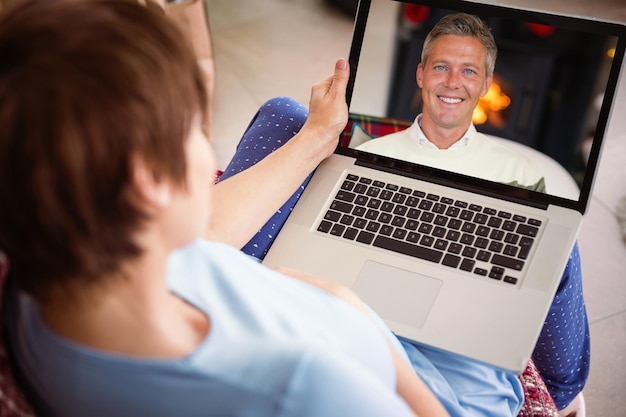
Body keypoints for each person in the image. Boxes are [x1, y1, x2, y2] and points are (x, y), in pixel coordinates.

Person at [0, 1, 525, 416]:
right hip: (429, 387)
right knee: (526, 219)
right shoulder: (301, 386)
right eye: (193, 131)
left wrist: (319, 138)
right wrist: (359, 318)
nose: (210, 155)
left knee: (286, 117)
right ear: (146, 183)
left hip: (318, 311)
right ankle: (565, 398)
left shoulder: (41, 280)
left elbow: (197, 249)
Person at [354, 13, 589, 416]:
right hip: (380, 306)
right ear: (420, 74)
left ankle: (561, 397)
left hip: (470, 318)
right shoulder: (371, 157)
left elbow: (534, 285)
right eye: (441, 67)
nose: (452, 82)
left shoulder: (521, 174)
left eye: (468, 71)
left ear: (484, 85)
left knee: (563, 244)